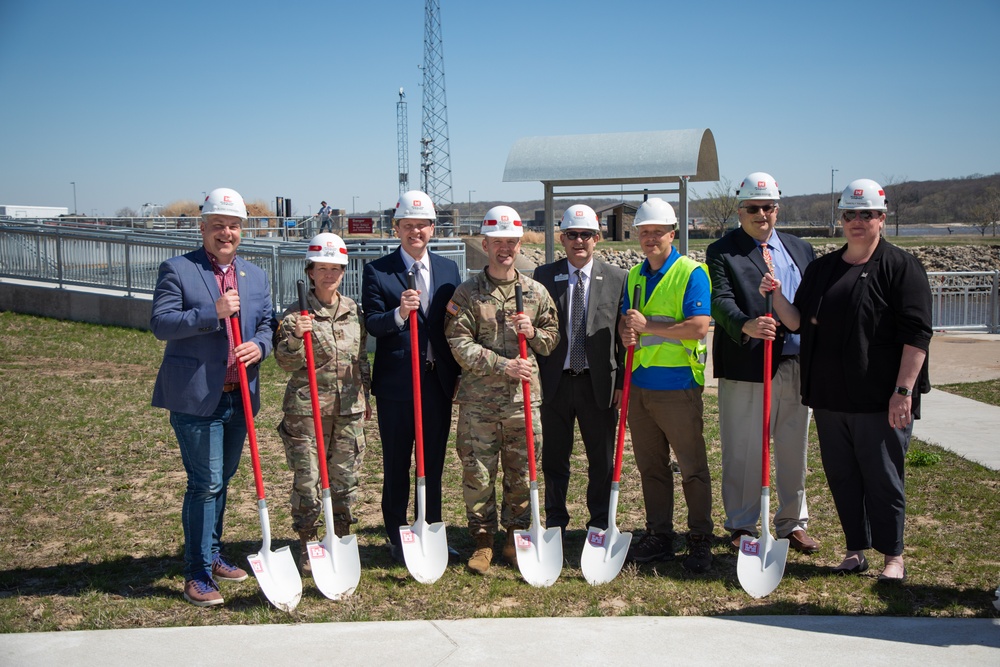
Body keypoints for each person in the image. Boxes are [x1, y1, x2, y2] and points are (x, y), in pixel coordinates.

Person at [761, 178, 932, 582]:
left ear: (882, 218)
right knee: (842, 476)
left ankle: (893, 556)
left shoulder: (901, 268)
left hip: (880, 400)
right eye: (850, 214)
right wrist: (776, 296)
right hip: (830, 397)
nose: (858, 222)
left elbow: (917, 335)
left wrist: (903, 391)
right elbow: (798, 321)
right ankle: (855, 549)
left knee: (883, 477)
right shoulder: (823, 268)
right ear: (840, 218)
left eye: (867, 214)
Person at [150, 187, 273, 607]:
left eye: (233, 226)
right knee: (206, 484)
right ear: (202, 227)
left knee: (222, 482)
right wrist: (211, 313)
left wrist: (260, 346)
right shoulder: (179, 269)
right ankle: (197, 573)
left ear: (243, 230)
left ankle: (213, 553)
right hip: (197, 396)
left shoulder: (254, 275)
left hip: (239, 396)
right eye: (218, 225)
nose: (226, 232)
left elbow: (267, 324)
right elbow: (162, 324)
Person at [706, 172, 819, 554]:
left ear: (777, 208)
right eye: (753, 208)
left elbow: (812, 305)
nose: (761, 214)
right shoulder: (723, 251)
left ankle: (792, 522)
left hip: (796, 363)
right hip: (747, 362)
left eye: (768, 207)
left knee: (793, 446)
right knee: (743, 448)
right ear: (740, 210)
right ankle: (742, 523)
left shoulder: (800, 249)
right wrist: (746, 325)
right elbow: (719, 301)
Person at [444, 206, 559, 574]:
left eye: (511, 242)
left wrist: (533, 334)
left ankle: (514, 536)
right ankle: (482, 541)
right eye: (497, 243)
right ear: (485, 244)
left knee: (522, 471)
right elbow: (458, 343)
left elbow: (552, 339)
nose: (504, 249)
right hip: (479, 403)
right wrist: (503, 364)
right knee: (478, 473)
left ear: (519, 243)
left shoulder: (536, 292)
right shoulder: (467, 294)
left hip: (522, 403)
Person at [361, 190, 462, 563]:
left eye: (422, 225)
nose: (415, 231)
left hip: (438, 381)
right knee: (397, 461)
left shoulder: (449, 270)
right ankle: (396, 533)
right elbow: (372, 323)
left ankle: (430, 527)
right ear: (396, 228)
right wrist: (399, 315)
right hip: (398, 385)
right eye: (407, 225)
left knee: (432, 461)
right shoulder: (378, 270)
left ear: (432, 228)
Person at [619, 198, 715, 573]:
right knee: (651, 469)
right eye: (644, 232)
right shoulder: (634, 276)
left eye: (657, 232)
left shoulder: (692, 272)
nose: (650, 238)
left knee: (691, 468)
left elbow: (698, 327)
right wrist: (628, 332)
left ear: (672, 234)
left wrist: (646, 327)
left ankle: (699, 538)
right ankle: (660, 534)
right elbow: (630, 323)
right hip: (640, 386)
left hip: (678, 387)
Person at [273, 233, 371, 575]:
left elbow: (360, 359)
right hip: (306, 411)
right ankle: (307, 541)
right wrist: (297, 335)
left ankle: (340, 537)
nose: (329, 274)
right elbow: (285, 363)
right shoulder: (295, 313)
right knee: (308, 480)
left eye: (336, 268)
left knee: (346, 479)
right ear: (310, 271)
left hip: (348, 409)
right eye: (322, 268)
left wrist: (366, 395)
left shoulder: (353, 310)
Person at [533, 204, 626, 533]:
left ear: (597, 238)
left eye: (586, 234)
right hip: (555, 383)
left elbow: (623, 336)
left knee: (600, 459)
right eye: (572, 234)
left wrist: (621, 382)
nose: (579, 241)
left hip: (598, 383)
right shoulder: (544, 276)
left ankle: (599, 521)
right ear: (562, 238)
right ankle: (556, 520)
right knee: (554, 458)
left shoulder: (618, 279)